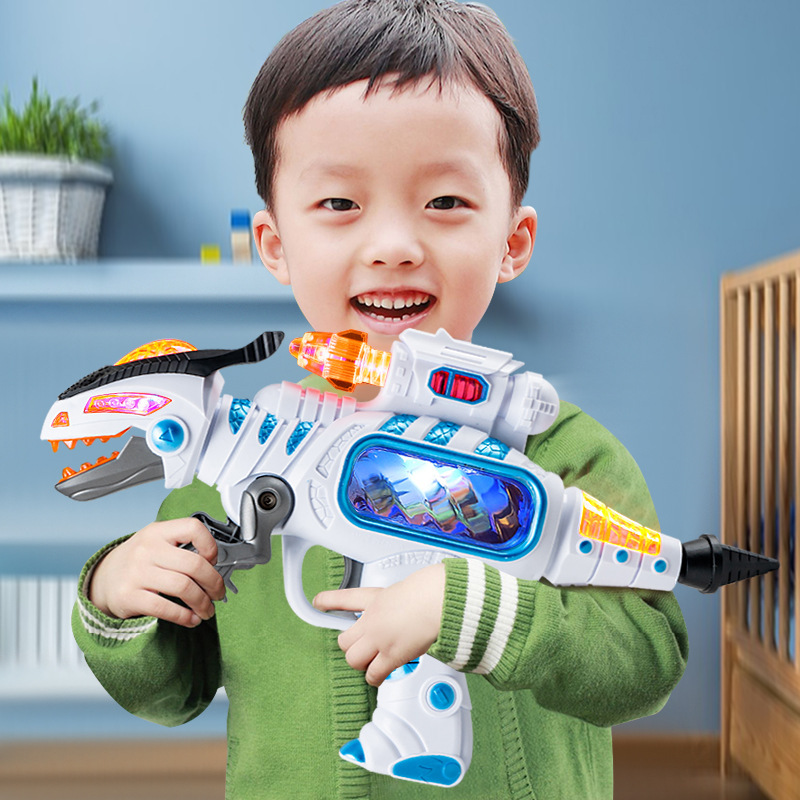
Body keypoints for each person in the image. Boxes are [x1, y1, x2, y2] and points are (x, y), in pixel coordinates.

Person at [73, 1, 688, 797]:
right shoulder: (226, 467)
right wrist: (119, 596)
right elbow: (170, 690)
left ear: (512, 242)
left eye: (446, 203)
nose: (394, 245)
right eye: (339, 204)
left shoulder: (565, 454)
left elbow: (644, 660)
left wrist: (479, 612)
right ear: (275, 246)